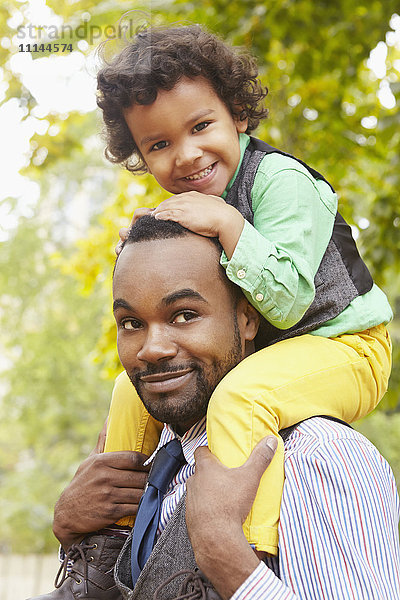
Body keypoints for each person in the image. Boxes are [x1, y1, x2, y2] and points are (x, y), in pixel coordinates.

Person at [95, 23, 393, 556]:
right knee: (127, 390)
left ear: (237, 113)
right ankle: (108, 542)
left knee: (240, 397)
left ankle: (246, 547)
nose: (186, 156)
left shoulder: (280, 181)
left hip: (347, 348)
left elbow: (289, 300)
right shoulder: (197, 200)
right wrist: (153, 243)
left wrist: (228, 226)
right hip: (277, 351)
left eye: (201, 126)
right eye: (159, 144)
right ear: (139, 153)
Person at [31, 217, 400, 600]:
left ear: (247, 319)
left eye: (185, 315)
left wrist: (224, 551)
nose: (152, 348)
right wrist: (73, 533)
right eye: (131, 322)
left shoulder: (317, 458)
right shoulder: (148, 461)